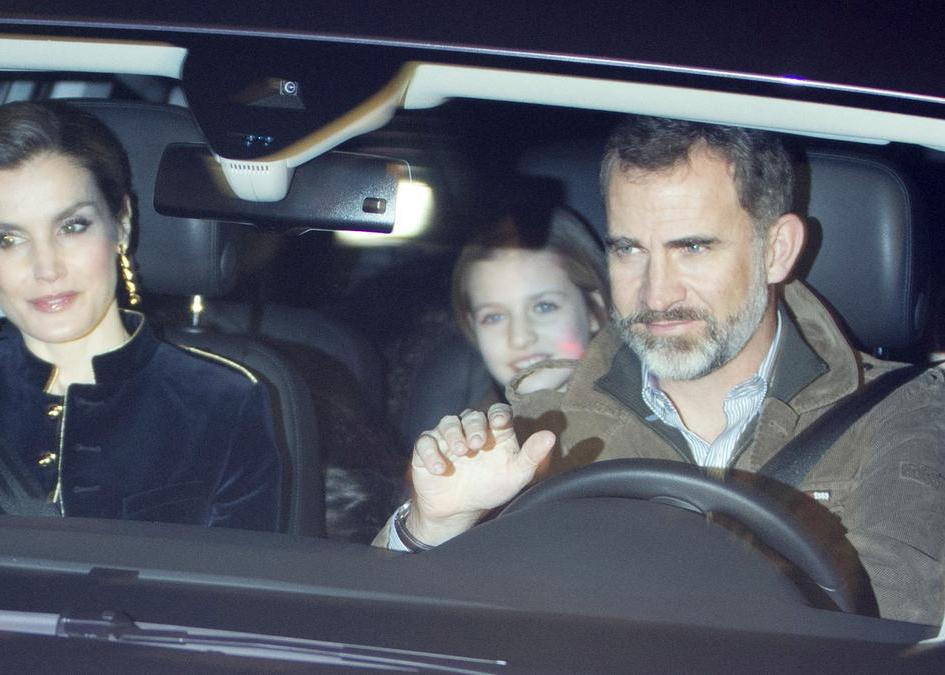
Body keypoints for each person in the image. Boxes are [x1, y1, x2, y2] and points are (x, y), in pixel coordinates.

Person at [377, 116, 945, 626]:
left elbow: (894, 631)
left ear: (776, 249)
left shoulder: (904, 411)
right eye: (628, 250)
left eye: (692, 248)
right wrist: (430, 527)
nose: (655, 292)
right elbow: (388, 632)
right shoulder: (536, 424)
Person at [0, 100, 282, 531]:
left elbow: (233, 593)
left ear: (122, 225)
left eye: (72, 226)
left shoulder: (222, 403)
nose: (47, 268)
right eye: (9, 238)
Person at [451, 205, 608, 401]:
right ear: (473, 326)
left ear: (594, 310)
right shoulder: (477, 427)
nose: (520, 338)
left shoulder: (645, 420)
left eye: (544, 307)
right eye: (494, 317)